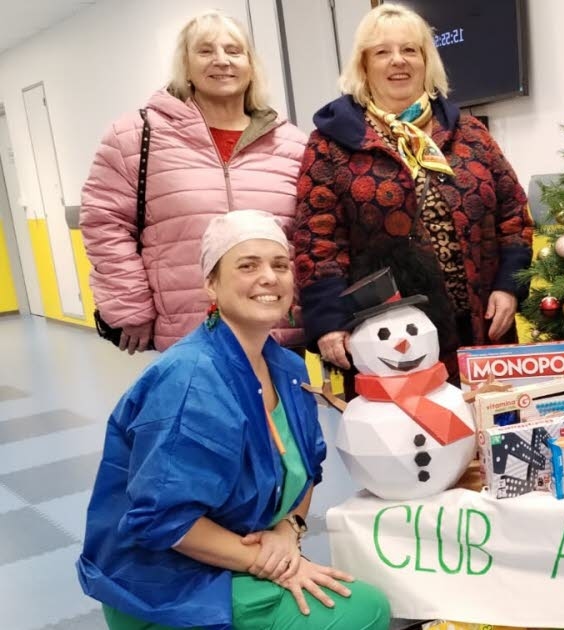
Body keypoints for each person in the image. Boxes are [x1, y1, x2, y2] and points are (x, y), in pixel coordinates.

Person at [77, 210, 391, 629]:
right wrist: (270, 561)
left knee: (367, 600)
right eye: (248, 265)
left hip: (238, 554)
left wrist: (289, 530)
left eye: (280, 265)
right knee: (364, 613)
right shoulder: (190, 380)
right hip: (164, 584)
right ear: (211, 283)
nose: (269, 278)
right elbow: (162, 519)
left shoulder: (288, 370)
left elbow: (307, 470)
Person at [292, 3, 533, 385]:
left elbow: (513, 213)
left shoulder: (470, 132)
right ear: (363, 65)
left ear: (426, 61)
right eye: (382, 52)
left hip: (480, 331)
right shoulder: (330, 144)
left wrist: (509, 286)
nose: (398, 61)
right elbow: (316, 241)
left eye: (409, 50)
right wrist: (329, 320)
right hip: (390, 341)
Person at [81, 10, 308, 353]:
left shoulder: (292, 144)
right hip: (188, 334)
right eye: (205, 50)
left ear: (251, 65)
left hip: (277, 333)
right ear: (185, 66)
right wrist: (130, 305)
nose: (222, 60)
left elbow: (313, 235)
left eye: (234, 51)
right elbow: (104, 222)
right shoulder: (136, 136)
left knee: (281, 392)